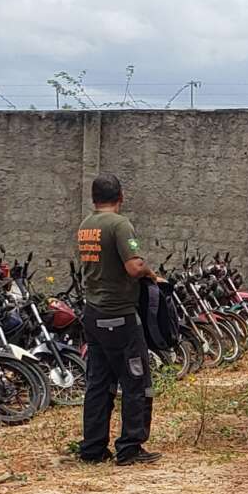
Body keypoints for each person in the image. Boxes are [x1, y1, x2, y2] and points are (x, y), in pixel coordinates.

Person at [75, 173, 163, 466]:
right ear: (121, 197)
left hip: (93, 313)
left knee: (99, 383)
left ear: (93, 198)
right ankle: (130, 447)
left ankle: (92, 448)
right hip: (119, 316)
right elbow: (134, 266)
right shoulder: (120, 225)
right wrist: (152, 274)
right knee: (136, 380)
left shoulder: (86, 225)